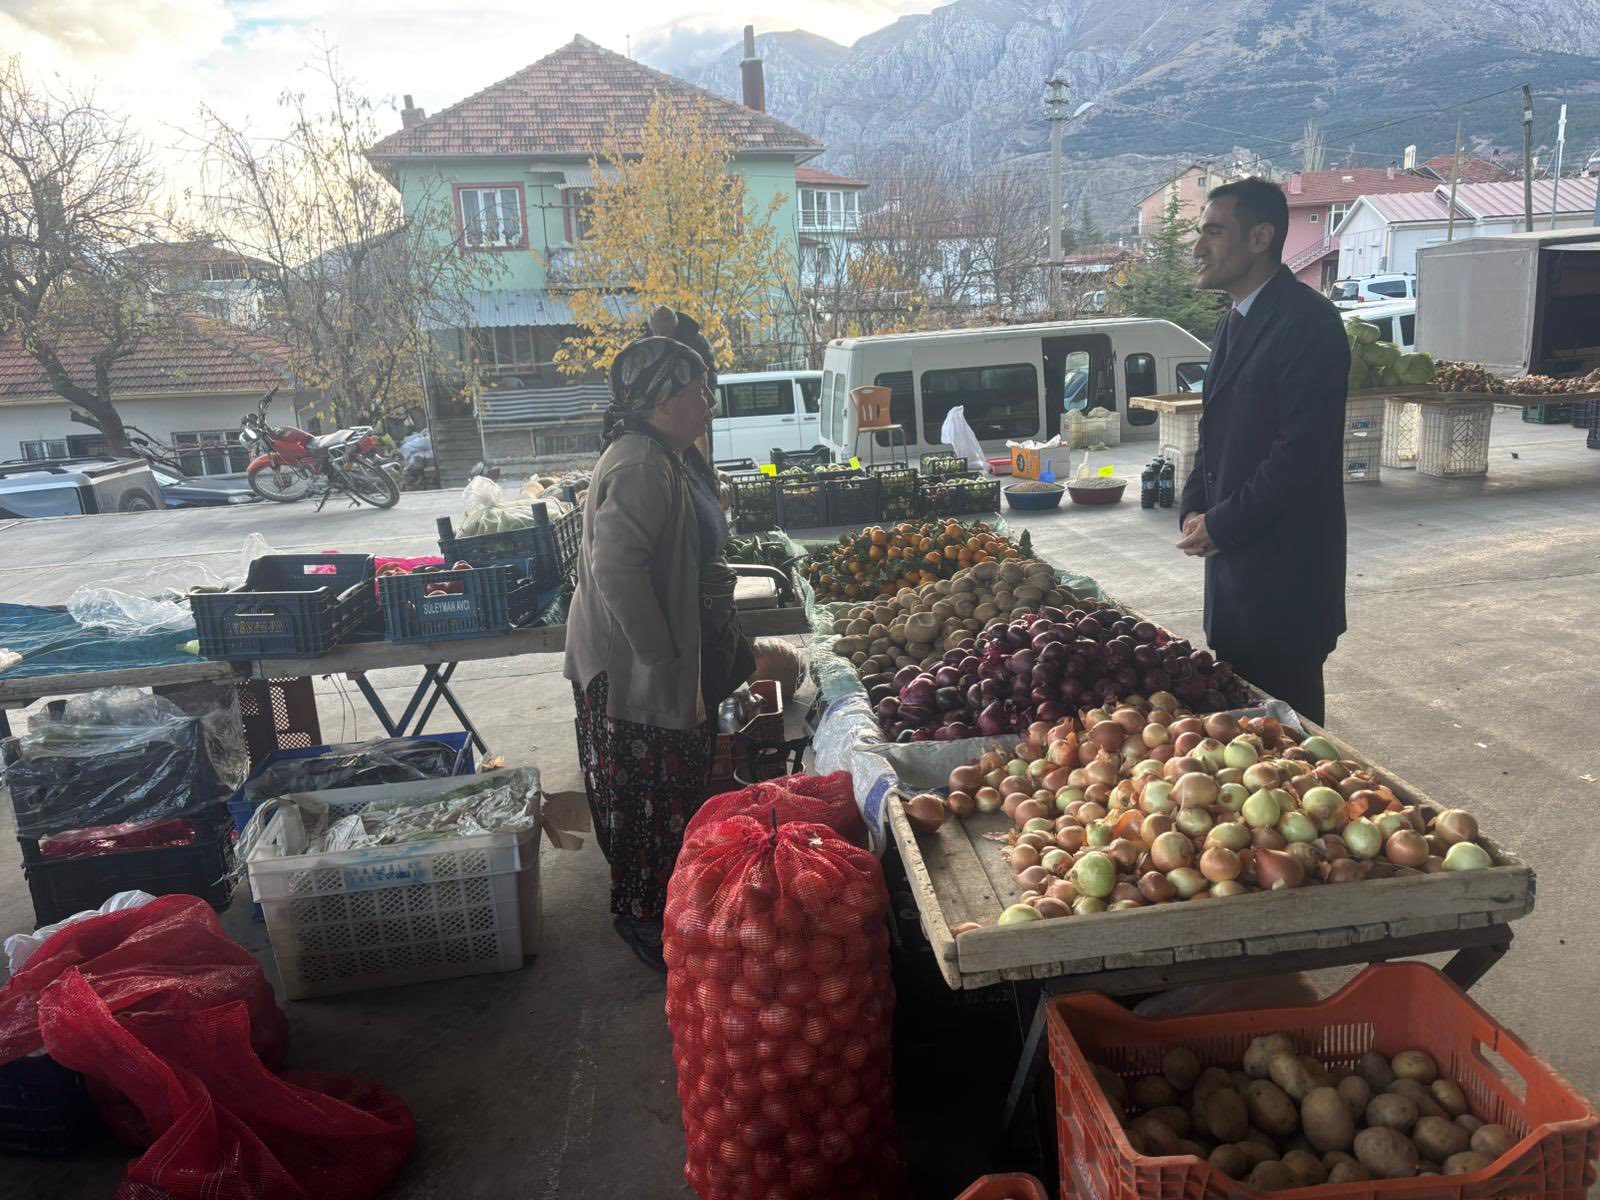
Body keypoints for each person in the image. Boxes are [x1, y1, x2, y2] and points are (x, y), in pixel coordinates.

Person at [564, 335, 753, 971]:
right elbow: (615, 567)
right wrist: (658, 654)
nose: (708, 403)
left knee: (660, 796)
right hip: (631, 673)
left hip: (650, 661)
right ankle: (642, 920)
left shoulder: (662, 454)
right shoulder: (642, 464)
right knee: (646, 799)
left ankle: (653, 906)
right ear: (664, 399)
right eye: (699, 391)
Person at [1176, 177, 1350, 725]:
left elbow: (1298, 456)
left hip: (1285, 587)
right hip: (1236, 583)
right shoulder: (1235, 320)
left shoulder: (1308, 324)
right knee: (1245, 737)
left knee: (1289, 745)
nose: (1198, 248)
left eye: (1213, 232)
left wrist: (1223, 524)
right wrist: (1192, 506)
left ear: (1260, 237)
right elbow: (1217, 431)